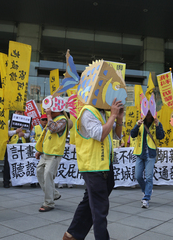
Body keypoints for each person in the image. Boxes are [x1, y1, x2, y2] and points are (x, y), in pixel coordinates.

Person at [63, 98, 123, 240]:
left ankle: (72, 234)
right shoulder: (87, 111)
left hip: (104, 164)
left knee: (90, 201)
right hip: (93, 166)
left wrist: (119, 119)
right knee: (100, 208)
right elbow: (100, 134)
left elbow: (117, 135)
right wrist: (113, 115)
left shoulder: (101, 112)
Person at [35, 107, 69, 212]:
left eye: (50, 110)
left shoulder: (63, 120)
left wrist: (49, 116)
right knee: (39, 172)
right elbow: (47, 137)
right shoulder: (53, 120)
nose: (47, 111)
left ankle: (49, 203)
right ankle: (54, 194)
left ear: (58, 110)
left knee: (47, 176)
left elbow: (53, 129)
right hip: (46, 152)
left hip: (54, 154)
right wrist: (40, 150)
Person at [130, 112, 165, 208]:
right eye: (147, 113)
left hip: (150, 153)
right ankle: (146, 190)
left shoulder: (157, 123)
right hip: (140, 153)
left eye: (150, 113)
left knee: (149, 177)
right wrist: (137, 125)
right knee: (138, 176)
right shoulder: (140, 123)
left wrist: (158, 126)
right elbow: (132, 135)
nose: (149, 115)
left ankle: (146, 198)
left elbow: (161, 136)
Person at [3, 110, 30, 188]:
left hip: (22, 145)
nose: (19, 114)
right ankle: (6, 181)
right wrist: (15, 131)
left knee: (20, 164)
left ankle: (19, 181)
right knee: (8, 164)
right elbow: (5, 132)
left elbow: (28, 133)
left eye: (21, 112)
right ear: (14, 113)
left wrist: (23, 134)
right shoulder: (9, 122)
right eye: (17, 112)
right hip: (11, 144)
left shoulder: (26, 121)